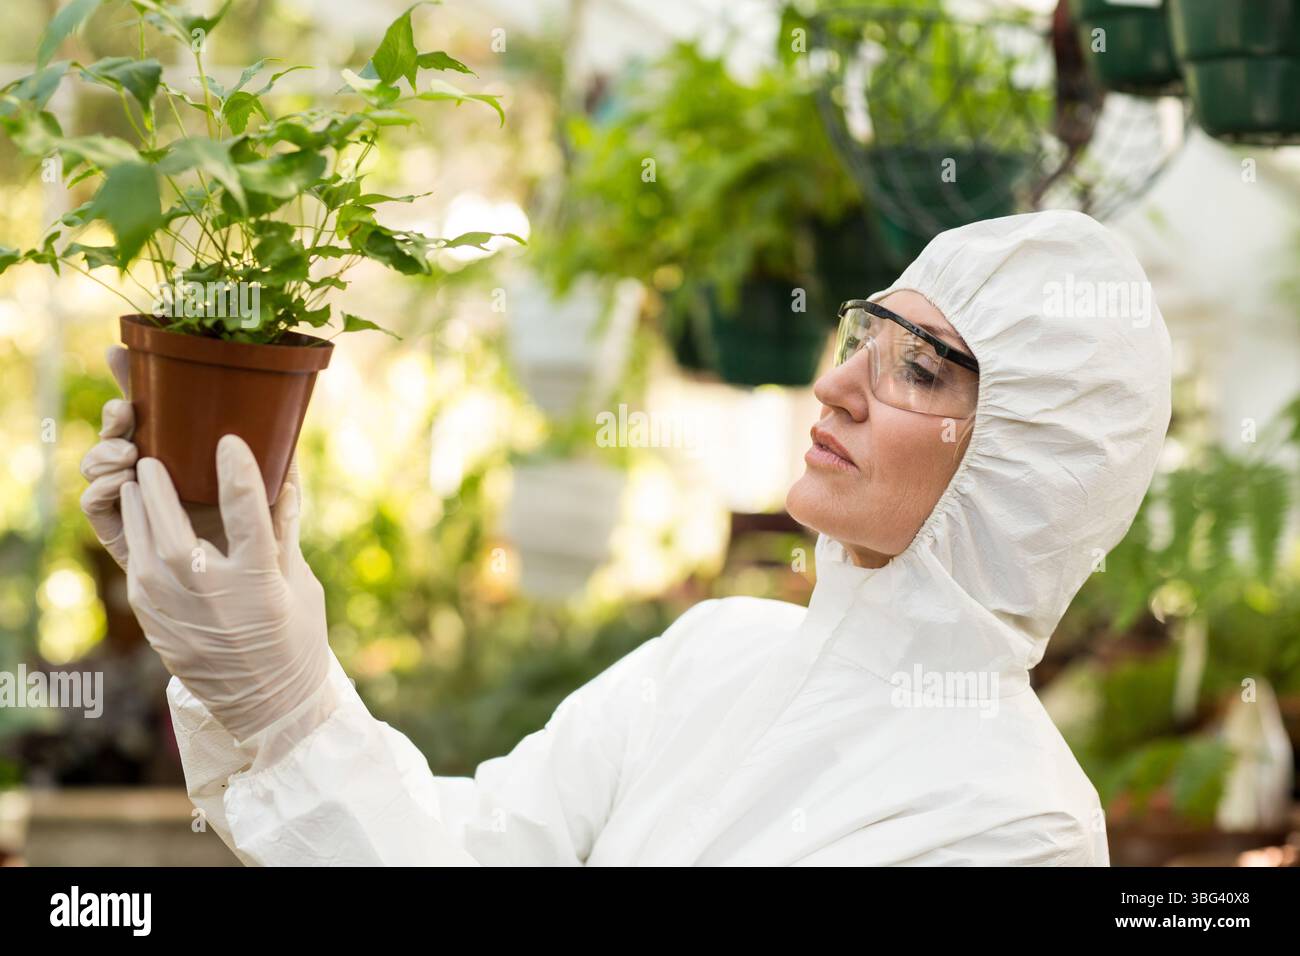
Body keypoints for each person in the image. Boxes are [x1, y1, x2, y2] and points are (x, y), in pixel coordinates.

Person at [79, 210, 1171, 865]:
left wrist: (285, 709)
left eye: (915, 367)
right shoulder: (720, 655)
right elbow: (464, 848)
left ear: (1024, 467)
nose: (836, 385)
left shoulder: (1014, 825)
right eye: (863, 336)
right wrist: (258, 665)